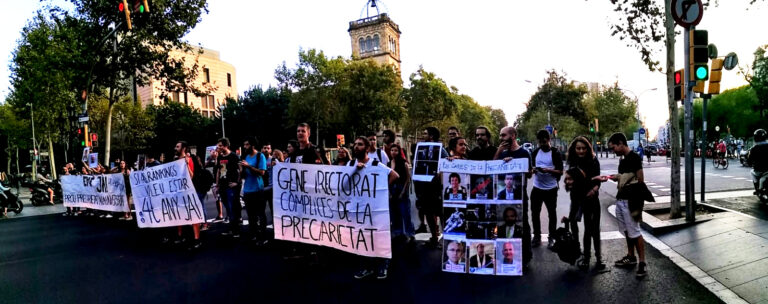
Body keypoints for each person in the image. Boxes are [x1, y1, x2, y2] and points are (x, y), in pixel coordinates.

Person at [349, 136, 399, 279]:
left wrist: (381, 190)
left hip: (375, 209)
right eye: (355, 144)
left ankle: (383, 266)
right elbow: (343, 181)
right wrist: (354, 170)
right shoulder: (350, 164)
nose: (356, 147)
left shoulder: (376, 164)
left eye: (360, 144)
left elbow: (395, 175)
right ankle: (366, 267)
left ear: (366, 148)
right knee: (362, 238)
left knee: (379, 236)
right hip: (358, 208)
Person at [606, 133, 648, 277]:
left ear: (620, 143)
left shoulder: (635, 158)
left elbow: (640, 179)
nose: (614, 151)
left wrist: (625, 180)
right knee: (626, 231)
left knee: (635, 232)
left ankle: (642, 262)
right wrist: (614, 178)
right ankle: (631, 256)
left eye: (614, 148)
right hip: (620, 200)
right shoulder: (622, 161)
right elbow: (622, 180)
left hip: (631, 201)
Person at [494, 126, 532, 268]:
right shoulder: (502, 153)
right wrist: (499, 153)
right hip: (504, 198)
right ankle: (505, 254)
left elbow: (529, 173)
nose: (501, 138)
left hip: (520, 195)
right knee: (504, 223)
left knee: (523, 224)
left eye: (503, 135)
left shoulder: (524, 152)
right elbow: (493, 168)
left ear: (513, 136)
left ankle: (526, 256)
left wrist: (515, 166)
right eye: (500, 135)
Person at [566, 136, 605, 270]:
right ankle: (582, 254)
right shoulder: (572, 161)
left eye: (583, 148)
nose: (581, 151)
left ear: (588, 148)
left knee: (592, 229)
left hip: (591, 198)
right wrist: (591, 179)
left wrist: (594, 188)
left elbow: (598, 182)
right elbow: (570, 181)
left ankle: (598, 258)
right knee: (573, 224)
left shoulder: (594, 161)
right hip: (576, 198)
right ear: (574, 149)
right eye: (578, 148)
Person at [412, 127, 449, 247]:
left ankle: (447, 237)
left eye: (425, 133)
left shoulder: (441, 151)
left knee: (440, 213)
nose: (423, 135)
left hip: (436, 187)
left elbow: (446, 167)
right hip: (424, 187)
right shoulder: (421, 149)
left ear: (432, 136)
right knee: (428, 212)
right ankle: (434, 235)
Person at [529, 129, 563, 248]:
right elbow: (530, 169)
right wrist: (533, 170)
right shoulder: (535, 153)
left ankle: (551, 237)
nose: (543, 144)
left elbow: (560, 171)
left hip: (551, 188)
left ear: (549, 140)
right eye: (540, 142)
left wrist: (548, 170)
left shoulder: (555, 153)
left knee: (552, 213)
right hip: (537, 188)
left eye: (545, 142)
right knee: (534, 213)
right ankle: (537, 236)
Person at [173, 141, 203, 249]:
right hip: (179, 192)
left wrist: (185, 164)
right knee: (179, 214)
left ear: (184, 148)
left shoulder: (189, 159)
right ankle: (180, 236)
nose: (175, 148)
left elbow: (191, 176)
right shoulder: (175, 160)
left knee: (193, 215)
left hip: (190, 192)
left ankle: (197, 239)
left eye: (177, 147)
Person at [239, 137, 269, 245]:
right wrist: (241, 169)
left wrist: (249, 166)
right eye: (244, 144)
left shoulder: (260, 156)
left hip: (257, 189)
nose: (245, 147)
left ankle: (263, 236)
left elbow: (262, 172)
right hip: (247, 190)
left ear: (252, 145)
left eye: (247, 145)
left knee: (260, 214)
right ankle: (254, 234)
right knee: (251, 215)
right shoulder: (246, 156)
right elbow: (243, 176)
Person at [215, 137, 242, 238]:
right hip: (222, 185)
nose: (219, 147)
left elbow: (240, 170)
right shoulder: (220, 157)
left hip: (231, 186)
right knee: (228, 208)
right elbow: (219, 171)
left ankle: (236, 230)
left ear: (226, 146)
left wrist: (237, 182)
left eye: (221, 145)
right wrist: (217, 185)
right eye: (218, 145)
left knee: (232, 208)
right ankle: (232, 228)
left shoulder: (234, 156)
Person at [388, 144, 415, 243]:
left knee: (405, 213)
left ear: (399, 152)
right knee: (394, 213)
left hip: (401, 189)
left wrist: (403, 191)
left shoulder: (404, 163)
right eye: (392, 150)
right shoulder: (388, 163)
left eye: (396, 150)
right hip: (392, 190)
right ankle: (398, 232)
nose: (393, 152)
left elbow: (407, 179)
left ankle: (410, 233)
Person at [748, 129, 768, 194]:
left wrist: (750, 163)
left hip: (759, 170)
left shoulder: (753, 149)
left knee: (752, 172)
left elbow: (749, 160)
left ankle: (758, 189)